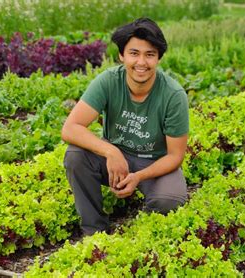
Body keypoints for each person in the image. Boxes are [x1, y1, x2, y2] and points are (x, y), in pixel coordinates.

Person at [61, 18, 189, 236]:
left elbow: (175, 156)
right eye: (134, 53)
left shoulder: (173, 95)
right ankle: (94, 230)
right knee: (75, 156)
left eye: (149, 54)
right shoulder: (108, 81)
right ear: (121, 55)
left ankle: (138, 233)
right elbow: (70, 128)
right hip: (116, 157)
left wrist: (138, 176)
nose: (141, 62)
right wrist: (111, 151)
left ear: (158, 58)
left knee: (170, 200)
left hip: (154, 162)